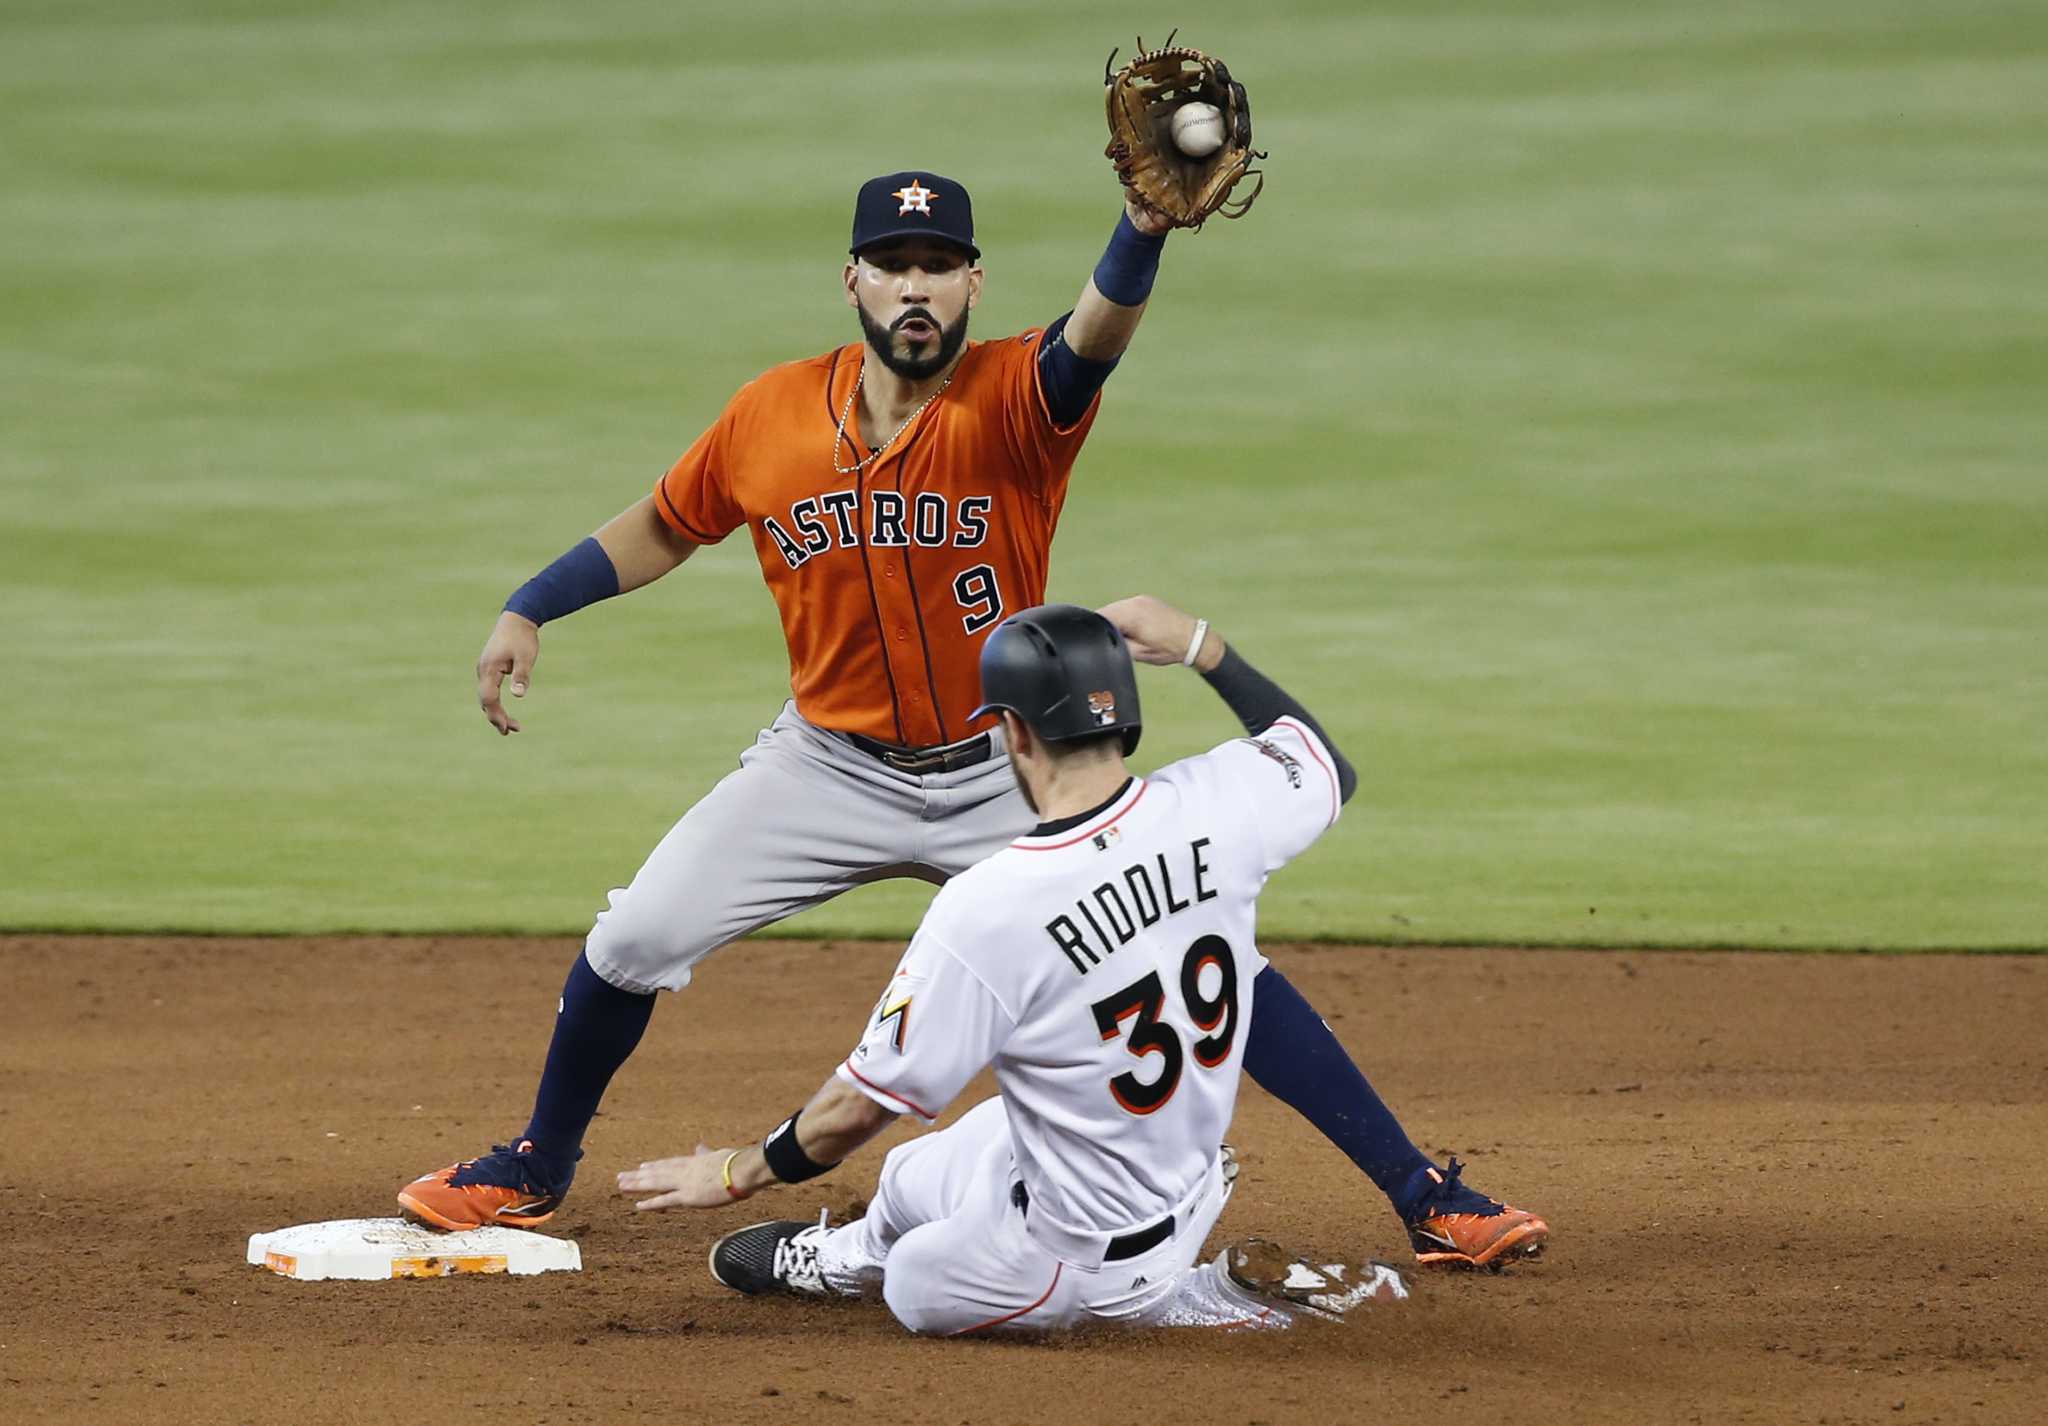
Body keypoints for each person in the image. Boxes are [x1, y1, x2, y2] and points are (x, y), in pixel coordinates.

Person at [397, 170, 1546, 1272]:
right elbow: (665, 521)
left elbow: (1095, 330)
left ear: (972, 286)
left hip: (1008, 771)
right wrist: (532, 606)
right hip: (824, 767)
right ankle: (539, 1161)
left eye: (938, 265)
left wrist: (1138, 230)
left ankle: (1423, 1193)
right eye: (893, 264)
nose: (915, 286)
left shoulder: (1017, 402)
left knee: (1211, 954)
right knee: (634, 937)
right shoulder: (769, 415)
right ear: (850, 280)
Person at [618, 600, 1419, 1332]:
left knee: (917, 1283)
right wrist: (1201, 647)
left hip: (1087, 1260)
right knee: (907, 1178)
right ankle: (847, 1256)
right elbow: (1325, 769)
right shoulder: (1220, 804)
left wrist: (736, 1172)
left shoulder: (993, 905)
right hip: (1187, 1166)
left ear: (1015, 731)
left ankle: (1201, 1300)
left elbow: (859, 1106)